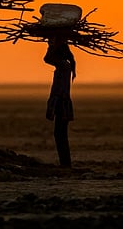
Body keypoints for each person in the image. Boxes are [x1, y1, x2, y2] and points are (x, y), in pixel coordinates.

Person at [43, 35, 76, 167]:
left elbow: (47, 58)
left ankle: (66, 164)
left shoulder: (63, 65)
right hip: (62, 102)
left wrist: (51, 46)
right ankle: (65, 163)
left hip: (62, 103)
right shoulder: (64, 65)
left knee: (60, 134)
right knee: (60, 134)